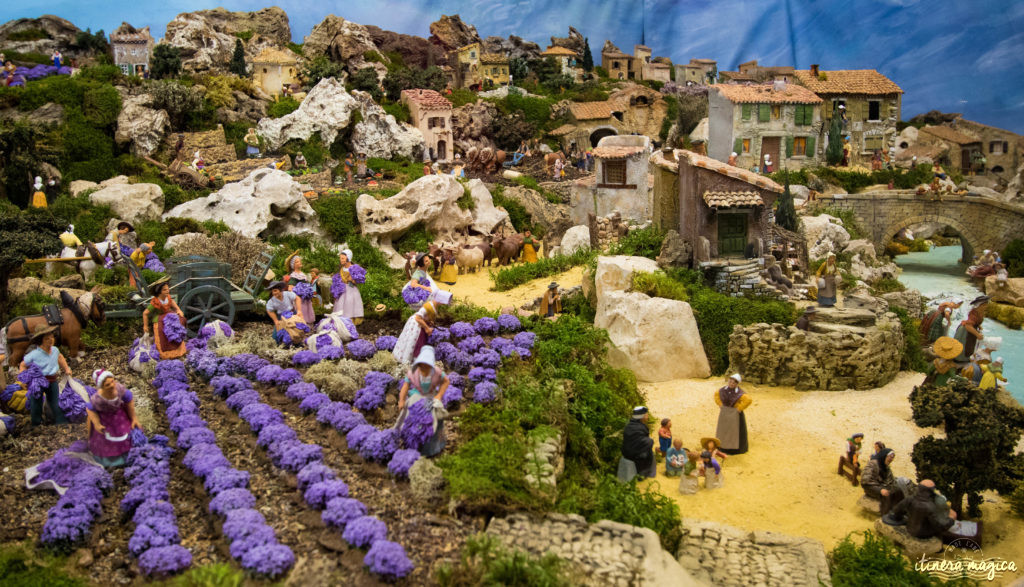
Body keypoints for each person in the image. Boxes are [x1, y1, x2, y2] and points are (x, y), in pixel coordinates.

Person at [394, 346, 449, 457]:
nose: (424, 368)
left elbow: (446, 381)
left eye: (427, 365)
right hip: (416, 398)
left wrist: (439, 395)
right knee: (409, 420)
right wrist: (401, 400)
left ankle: (432, 449)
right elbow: (405, 386)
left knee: (432, 422)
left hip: (430, 399)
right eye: (421, 365)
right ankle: (411, 444)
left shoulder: (437, 372)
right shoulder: (412, 372)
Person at [86, 369, 142, 467]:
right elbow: (90, 409)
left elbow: (129, 399)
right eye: (107, 385)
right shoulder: (97, 399)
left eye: (112, 381)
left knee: (125, 434)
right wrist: (97, 424)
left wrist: (134, 418)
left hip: (120, 418)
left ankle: (129, 454)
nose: (112, 385)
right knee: (107, 440)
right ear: (102, 387)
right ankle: (113, 461)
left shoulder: (119, 389)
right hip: (106, 420)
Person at [19, 325, 71, 426]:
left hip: (52, 380)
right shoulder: (34, 354)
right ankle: (36, 423)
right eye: (47, 338)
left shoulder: (55, 350)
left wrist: (66, 368)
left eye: (52, 337)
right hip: (38, 382)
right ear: (40, 340)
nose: (50, 340)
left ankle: (60, 421)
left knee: (56, 402)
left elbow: (60, 358)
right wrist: (23, 379)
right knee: (36, 403)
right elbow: (22, 365)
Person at [884, 480, 956, 539]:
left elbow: (896, 511)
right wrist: (951, 519)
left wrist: (898, 517)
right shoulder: (932, 506)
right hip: (924, 534)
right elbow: (940, 526)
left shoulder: (910, 499)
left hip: (910, 529)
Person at [142, 278, 187, 360]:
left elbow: (175, 306)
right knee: (161, 330)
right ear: (159, 292)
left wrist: (178, 310)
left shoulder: (168, 298)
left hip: (170, 316)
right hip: (159, 318)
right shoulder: (155, 302)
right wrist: (145, 326)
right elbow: (145, 313)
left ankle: (178, 350)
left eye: (168, 289)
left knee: (179, 323)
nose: (167, 291)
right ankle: (165, 353)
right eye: (164, 290)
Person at [714, 374, 751, 455]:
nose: (731, 384)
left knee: (735, 431)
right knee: (724, 430)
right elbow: (716, 395)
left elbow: (748, 400)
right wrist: (720, 405)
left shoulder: (740, 393)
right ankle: (723, 446)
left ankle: (735, 449)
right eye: (730, 382)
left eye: (734, 383)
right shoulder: (722, 390)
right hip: (725, 413)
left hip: (735, 415)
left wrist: (739, 408)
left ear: (737, 384)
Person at [393, 301, 437, 365]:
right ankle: (409, 360)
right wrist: (427, 328)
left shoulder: (430, 306)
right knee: (414, 342)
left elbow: (426, 316)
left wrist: (429, 321)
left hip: (419, 323)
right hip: (417, 326)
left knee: (413, 341)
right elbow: (418, 318)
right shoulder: (427, 307)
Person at [621, 406, 656, 478]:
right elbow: (640, 441)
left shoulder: (632, 425)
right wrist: (650, 441)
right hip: (633, 453)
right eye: (646, 414)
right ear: (641, 417)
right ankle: (642, 474)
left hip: (629, 450)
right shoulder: (638, 427)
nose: (647, 416)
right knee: (646, 454)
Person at [953, 295, 989, 363]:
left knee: (970, 345)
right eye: (984, 305)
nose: (986, 307)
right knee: (964, 346)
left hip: (972, 330)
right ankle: (959, 360)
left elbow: (976, 322)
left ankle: (966, 359)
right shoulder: (973, 313)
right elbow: (968, 326)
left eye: (986, 305)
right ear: (979, 305)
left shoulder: (980, 312)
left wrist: (978, 326)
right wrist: (977, 334)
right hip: (965, 332)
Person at [283, 252, 316, 325]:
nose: (300, 262)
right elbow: (290, 288)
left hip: (305, 298)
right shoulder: (294, 276)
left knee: (307, 309)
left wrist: (308, 291)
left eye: (299, 260)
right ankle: (300, 323)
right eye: (297, 262)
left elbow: (307, 284)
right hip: (299, 298)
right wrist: (297, 291)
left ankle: (307, 323)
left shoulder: (303, 275)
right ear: (293, 265)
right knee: (301, 309)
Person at [333, 249, 364, 322]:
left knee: (350, 304)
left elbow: (359, 280)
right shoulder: (341, 269)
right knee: (340, 304)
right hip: (342, 290)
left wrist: (353, 280)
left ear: (348, 258)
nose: (341, 260)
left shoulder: (354, 268)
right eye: (340, 258)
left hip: (351, 290)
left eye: (342, 258)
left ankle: (351, 320)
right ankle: (341, 321)